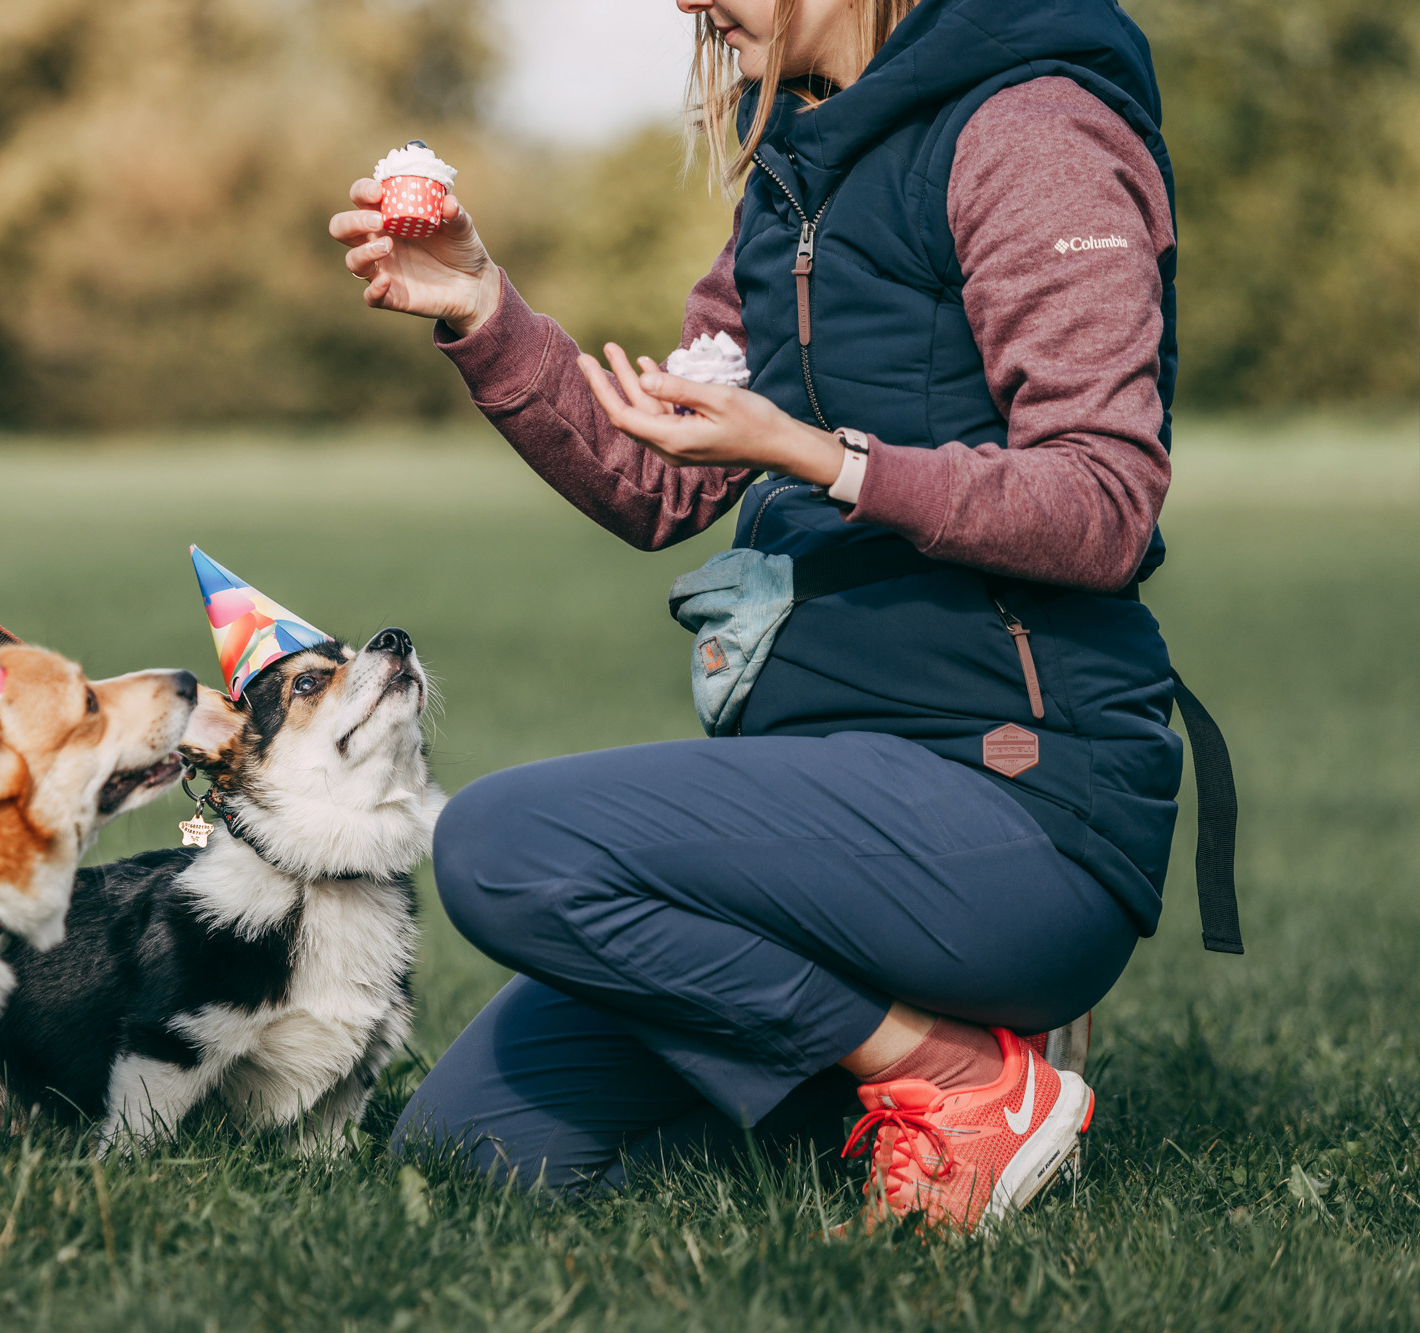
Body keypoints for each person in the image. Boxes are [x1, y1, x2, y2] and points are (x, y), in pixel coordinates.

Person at [329, 0, 1201, 1230]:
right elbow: (658, 481)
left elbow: (1102, 498)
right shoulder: (792, 167)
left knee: (502, 847)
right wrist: (478, 304)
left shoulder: (1032, 131)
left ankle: (962, 1077)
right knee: (474, 1149)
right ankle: (922, 1046)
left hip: (1019, 799)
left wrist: (823, 458)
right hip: (823, 803)